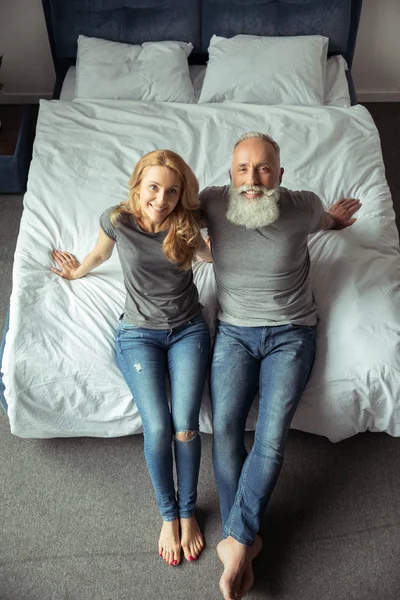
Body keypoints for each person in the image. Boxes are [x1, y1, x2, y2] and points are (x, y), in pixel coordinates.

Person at [199, 132, 362, 599]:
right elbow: (164, 214)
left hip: (292, 334)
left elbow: (326, 221)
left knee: (270, 436)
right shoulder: (211, 203)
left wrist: (336, 220)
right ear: (230, 175)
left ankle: (236, 539)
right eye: (244, 170)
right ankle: (242, 538)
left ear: (280, 174)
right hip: (233, 333)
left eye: (264, 169)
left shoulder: (301, 205)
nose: (253, 179)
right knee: (226, 428)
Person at [51, 149, 212, 567]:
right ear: (138, 186)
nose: (162, 199)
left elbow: (211, 257)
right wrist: (76, 271)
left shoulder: (186, 222)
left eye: (172, 191)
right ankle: (167, 514)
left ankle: (188, 510)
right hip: (138, 335)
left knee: (184, 426)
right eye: (153, 188)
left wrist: (207, 247)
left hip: (188, 330)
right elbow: (101, 255)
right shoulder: (117, 220)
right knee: (157, 426)